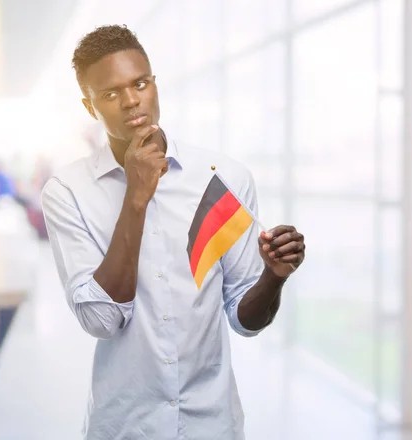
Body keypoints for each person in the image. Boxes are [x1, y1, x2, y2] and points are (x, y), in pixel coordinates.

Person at [41, 24, 306, 440]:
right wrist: (136, 197)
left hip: (212, 425)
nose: (132, 101)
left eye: (141, 83)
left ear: (153, 84)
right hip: (125, 426)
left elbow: (244, 317)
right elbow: (101, 319)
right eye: (110, 94)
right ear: (90, 107)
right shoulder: (68, 192)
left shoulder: (222, 180)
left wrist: (274, 276)